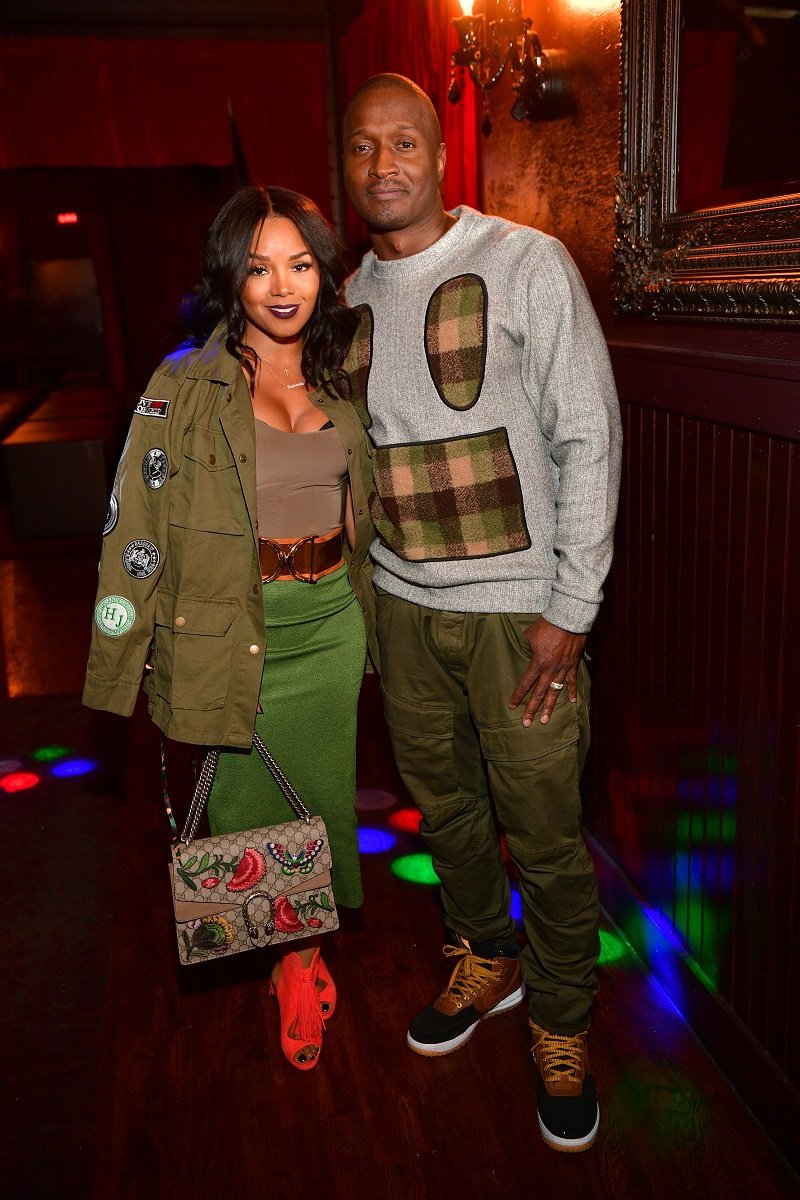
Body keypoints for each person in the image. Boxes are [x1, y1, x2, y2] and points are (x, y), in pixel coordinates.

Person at [341, 74, 622, 1151]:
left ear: (440, 154)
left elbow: (585, 434)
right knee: (446, 813)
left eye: (403, 142)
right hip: (404, 617)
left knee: (544, 834)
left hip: (521, 620)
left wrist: (572, 605)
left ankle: (559, 1020)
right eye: (362, 147)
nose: (383, 166)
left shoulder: (522, 263)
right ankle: (483, 953)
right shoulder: (345, 301)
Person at [83, 185, 378, 1072]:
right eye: (259, 268)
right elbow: (131, 533)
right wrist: (115, 666)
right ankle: (289, 964)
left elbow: (371, 509)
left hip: (331, 626)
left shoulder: (343, 374)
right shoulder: (181, 384)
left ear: (324, 276)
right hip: (232, 633)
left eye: (300, 265)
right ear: (231, 279)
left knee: (319, 807)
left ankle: (302, 955)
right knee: (251, 816)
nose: (282, 287)